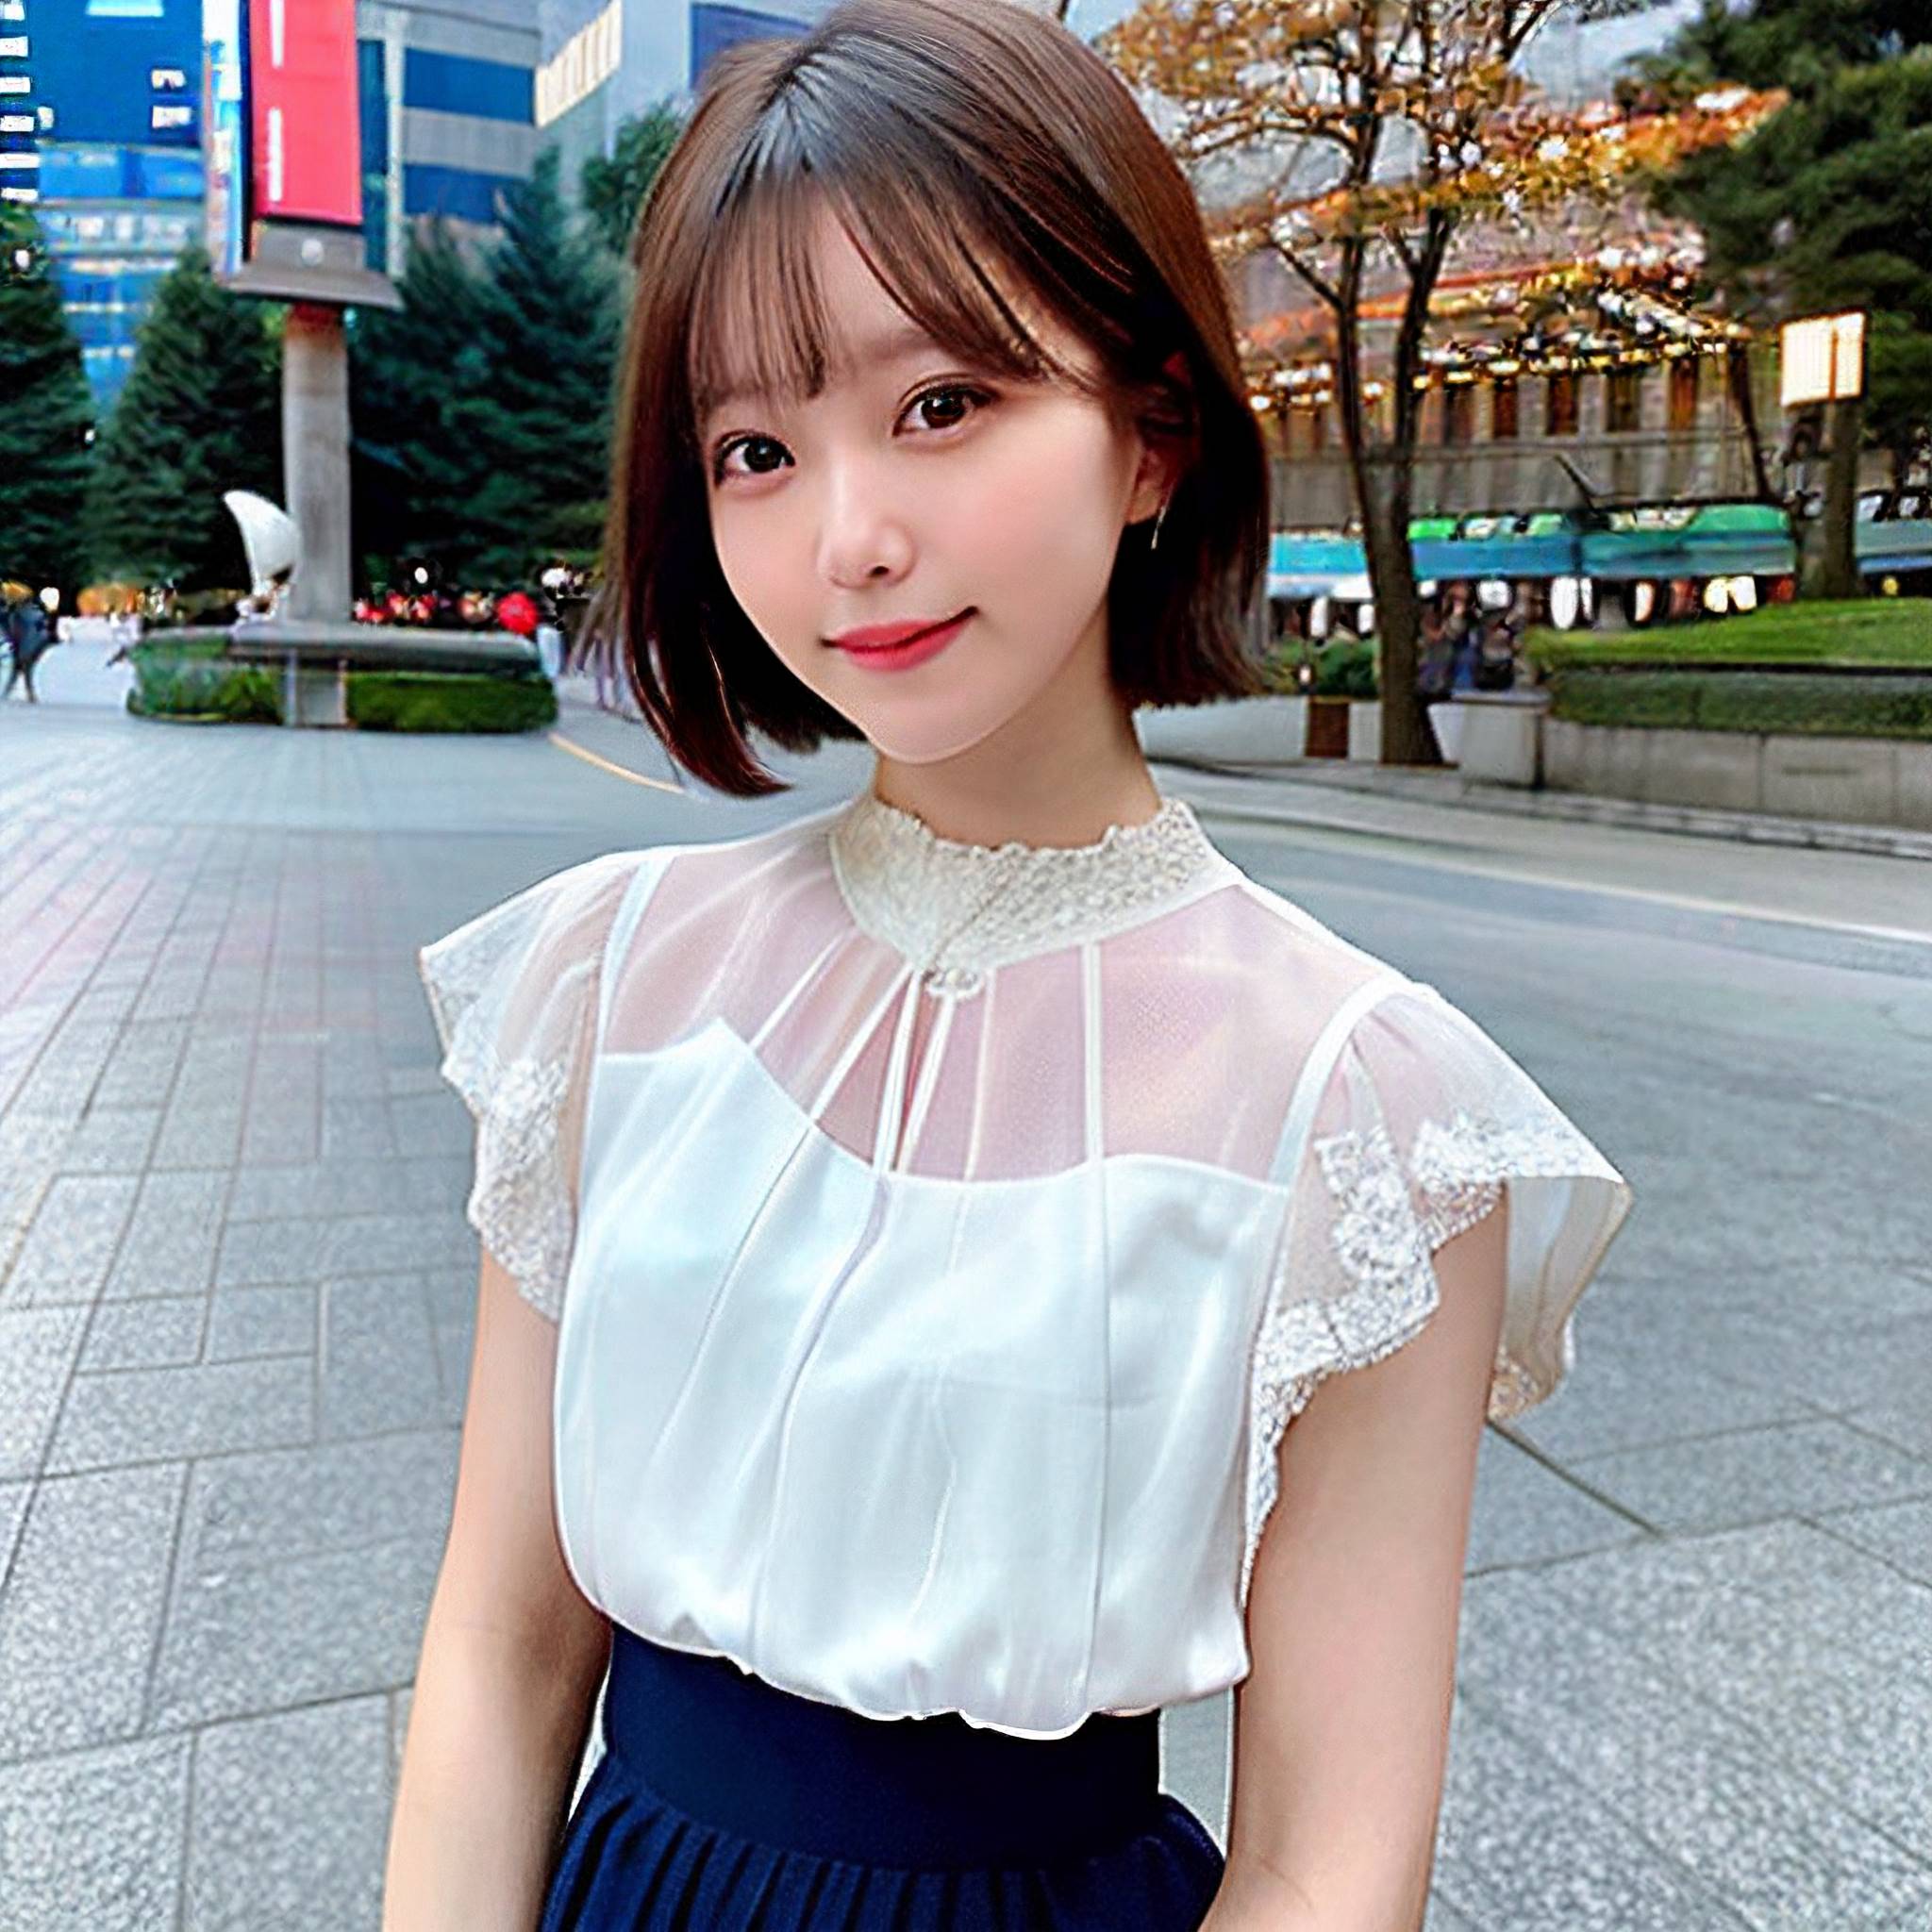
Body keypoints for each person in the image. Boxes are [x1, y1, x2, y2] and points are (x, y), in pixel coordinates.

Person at [387, 5, 1634, 1928]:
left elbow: (1329, 1854)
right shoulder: (602, 984)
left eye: (941, 404)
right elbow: (498, 1650)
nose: (848, 539)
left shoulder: (1367, 1111)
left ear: (1148, 433)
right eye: (753, 447)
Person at [2, 593, 51, 703]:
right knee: (26, 668)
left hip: (24, 647)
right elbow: (42, 634)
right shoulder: (37, 615)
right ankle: (27, 693)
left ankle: (11, 692)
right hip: (30, 647)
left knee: (22, 668)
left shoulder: (21, 615)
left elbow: (17, 633)